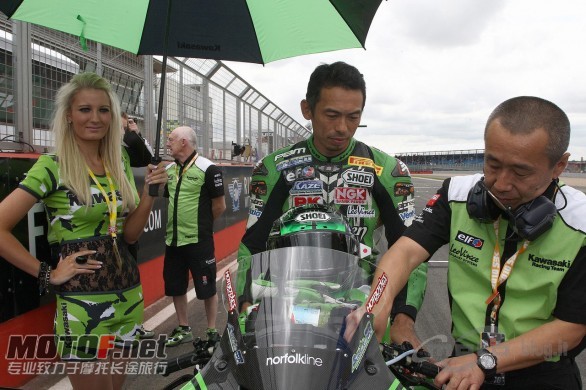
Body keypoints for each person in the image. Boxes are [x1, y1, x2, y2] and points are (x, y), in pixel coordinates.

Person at [347, 96, 586, 389]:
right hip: (461, 365)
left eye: (520, 172)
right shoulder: (456, 194)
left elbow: (572, 327)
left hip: (541, 375)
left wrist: (485, 360)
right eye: (492, 164)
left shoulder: (581, 224)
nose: (501, 183)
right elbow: (405, 252)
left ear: (559, 165)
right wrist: (376, 304)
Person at [236, 61, 428, 345]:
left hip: (362, 309)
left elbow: (411, 249)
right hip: (285, 311)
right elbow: (252, 246)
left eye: (353, 116)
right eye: (331, 115)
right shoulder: (273, 169)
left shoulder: (387, 171)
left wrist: (403, 319)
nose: (342, 128)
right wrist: (244, 304)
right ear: (307, 109)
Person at [0, 72, 167, 390]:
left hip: (128, 295)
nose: (96, 118)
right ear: (68, 116)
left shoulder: (119, 159)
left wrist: (149, 195)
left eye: (104, 110)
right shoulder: (53, 165)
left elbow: (129, 235)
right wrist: (47, 274)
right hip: (82, 302)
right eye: (85, 109)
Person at [163, 126, 226, 347]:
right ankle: (183, 328)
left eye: (170, 139)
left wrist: (202, 226)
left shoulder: (208, 168)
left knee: (207, 287)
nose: (167, 143)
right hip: (173, 240)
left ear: (184, 142)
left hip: (199, 240)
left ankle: (211, 331)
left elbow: (219, 206)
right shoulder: (169, 169)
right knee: (175, 286)